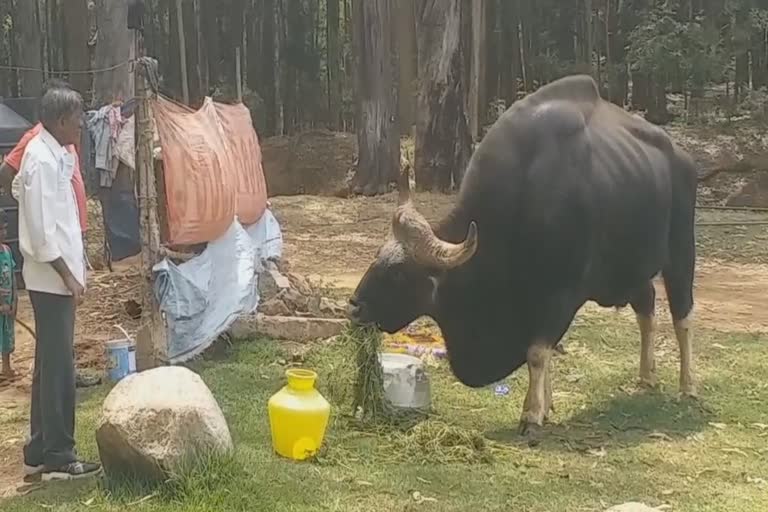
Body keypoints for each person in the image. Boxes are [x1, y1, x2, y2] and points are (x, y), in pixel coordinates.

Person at [18, 87, 100, 481]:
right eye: (79, 116)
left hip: (56, 278)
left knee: (49, 364)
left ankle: (38, 447)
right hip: (51, 280)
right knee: (59, 369)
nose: (83, 123)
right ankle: (59, 453)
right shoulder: (39, 160)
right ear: (61, 120)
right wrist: (68, 276)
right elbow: (39, 231)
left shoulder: (55, 155)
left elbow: (61, 220)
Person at [0, 78, 88, 236]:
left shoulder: (68, 137)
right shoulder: (35, 140)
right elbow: (5, 172)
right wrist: (27, 207)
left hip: (73, 225)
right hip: (56, 232)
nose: (80, 123)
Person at [0, 210, 17, 379]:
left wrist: (14, 302)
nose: (3, 233)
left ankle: (6, 366)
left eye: (4, 229)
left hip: (8, 303)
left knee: (7, 335)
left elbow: (12, 276)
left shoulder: (7, 251)